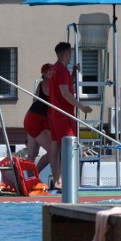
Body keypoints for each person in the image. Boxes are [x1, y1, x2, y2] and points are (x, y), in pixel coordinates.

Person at [47, 42, 92, 191]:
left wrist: (72, 73)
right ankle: (60, 180)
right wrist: (82, 106)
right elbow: (65, 93)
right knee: (67, 145)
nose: (70, 56)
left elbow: (63, 87)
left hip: (54, 112)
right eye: (69, 53)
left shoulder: (54, 69)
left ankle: (56, 178)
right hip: (63, 114)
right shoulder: (61, 70)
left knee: (55, 146)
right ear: (64, 54)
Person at [23, 63, 53, 173]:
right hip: (37, 121)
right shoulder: (48, 84)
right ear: (44, 74)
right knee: (53, 152)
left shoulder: (40, 84)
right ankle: (34, 176)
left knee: (32, 154)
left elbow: (34, 100)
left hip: (32, 119)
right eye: (50, 72)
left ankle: (27, 180)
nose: (53, 74)